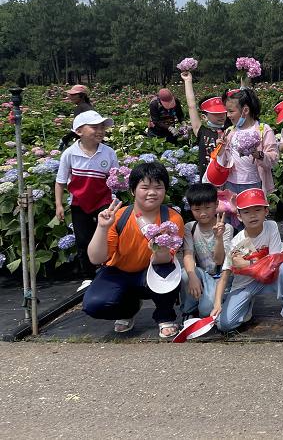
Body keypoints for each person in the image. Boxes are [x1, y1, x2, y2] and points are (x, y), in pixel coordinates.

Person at [82, 162, 184, 338]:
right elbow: (96, 258)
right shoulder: (119, 216)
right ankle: (127, 310)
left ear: (165, 190)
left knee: (168, 271)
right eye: (145, 187)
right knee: (95, 304)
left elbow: (166, 260)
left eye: (158, 187)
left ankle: (165, 316)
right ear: (132, 190)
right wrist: (102, 227)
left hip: (152, 270)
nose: (152, 192)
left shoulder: (172, 219)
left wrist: (160, 249)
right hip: (118, 271)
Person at [212, 188, 283, 337]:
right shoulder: (236, 243)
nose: (253, 215)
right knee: (225, 325)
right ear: (239, 216)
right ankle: (247, 306)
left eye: (257, 210)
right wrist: (217, 303)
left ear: (266, 211)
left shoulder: (271, 226)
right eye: (246, 212)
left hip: (270, 278)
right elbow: (224, 276)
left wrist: (248, 264)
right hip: (246, 285)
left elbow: (275, 261)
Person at [54, 111, 119, 292]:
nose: (100, 131)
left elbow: (116, 177)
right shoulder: (69, 154)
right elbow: (60, 182)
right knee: (83, 240)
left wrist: (121, 180)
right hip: (79, 203)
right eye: (95, 127)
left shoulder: (108, 152)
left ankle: (109, 269)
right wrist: (59, 205)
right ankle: (88, 276)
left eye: (102, 127)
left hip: (104, 201)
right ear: (79, 131)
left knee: (108, 235)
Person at [180, 183, 232, 318]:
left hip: (220, 277)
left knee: (206, 311)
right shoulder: (190, 228)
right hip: (202, 274)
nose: (203, 213)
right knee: (185, 274)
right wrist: (192, 277)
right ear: (190, 208)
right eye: (197, 209)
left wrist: (218, 237)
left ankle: (211, 302)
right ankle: (188, 310)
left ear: (216, 204)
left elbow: (219, 260)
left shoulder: (226, 228)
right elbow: (188, 254)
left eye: (207, 208)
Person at [219, 88, 279, 196]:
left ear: (245, 110)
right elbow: (223, 160)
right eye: (227, 111)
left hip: (254, 183)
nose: (228, 115)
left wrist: (259, 155)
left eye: (231, 111)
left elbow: (274, 158)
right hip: (230, 183)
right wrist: (220, 148)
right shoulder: (229, 131)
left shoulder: (264, 130)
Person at [180, 71, 227, 173]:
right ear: (204, 117)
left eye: (223, 112)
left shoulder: (230, 130)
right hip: (206, 178)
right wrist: (188, 81)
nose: (221, 116)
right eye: (216, 113)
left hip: (226, 177)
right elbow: (191, 106)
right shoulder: (202, 131)